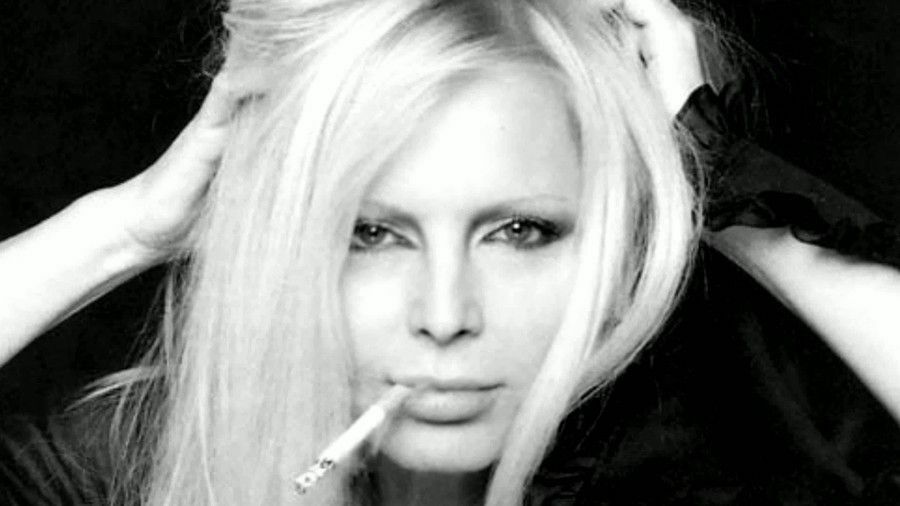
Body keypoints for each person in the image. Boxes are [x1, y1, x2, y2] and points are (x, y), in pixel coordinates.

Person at [0, 0, 899, 504]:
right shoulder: (141, 458)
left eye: (520, 231)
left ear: (619, 238)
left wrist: (728, 195)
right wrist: (124, 230)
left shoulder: (724, 471)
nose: (443, 315)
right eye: (369, 233)